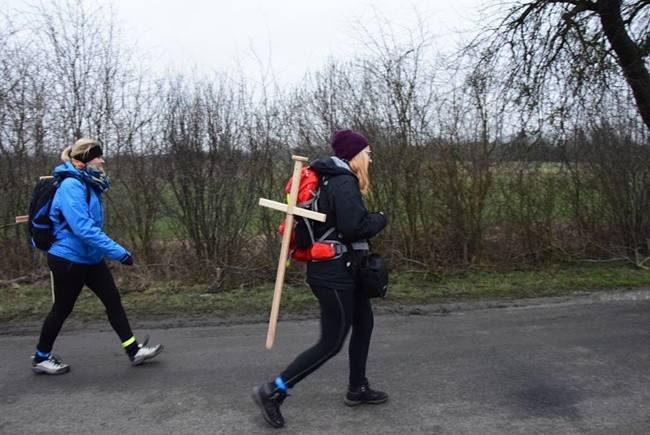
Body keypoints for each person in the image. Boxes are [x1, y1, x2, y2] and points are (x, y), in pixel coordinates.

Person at [252, 129, 388, 428]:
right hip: (334, 274)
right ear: (354, 156)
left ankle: (357, 387)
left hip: (345, 269)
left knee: (364, 324)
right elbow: (355, 227)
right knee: (331, 342)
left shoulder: (330, 178)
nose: (370, 157)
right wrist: (380, 218)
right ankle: (273, 390)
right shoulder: (342, 182)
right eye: (367, 152)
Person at [31, 138, 163, 375]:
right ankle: (41, 357)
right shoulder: (72, 185)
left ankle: (133, 351)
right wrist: (119, 253)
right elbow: (83, 228)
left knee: (112, 300)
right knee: (62, 308)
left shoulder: (89, 182)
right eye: (98, 156)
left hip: (89, 256)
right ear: (83, 159)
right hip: (68, 258)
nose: (103, 161)